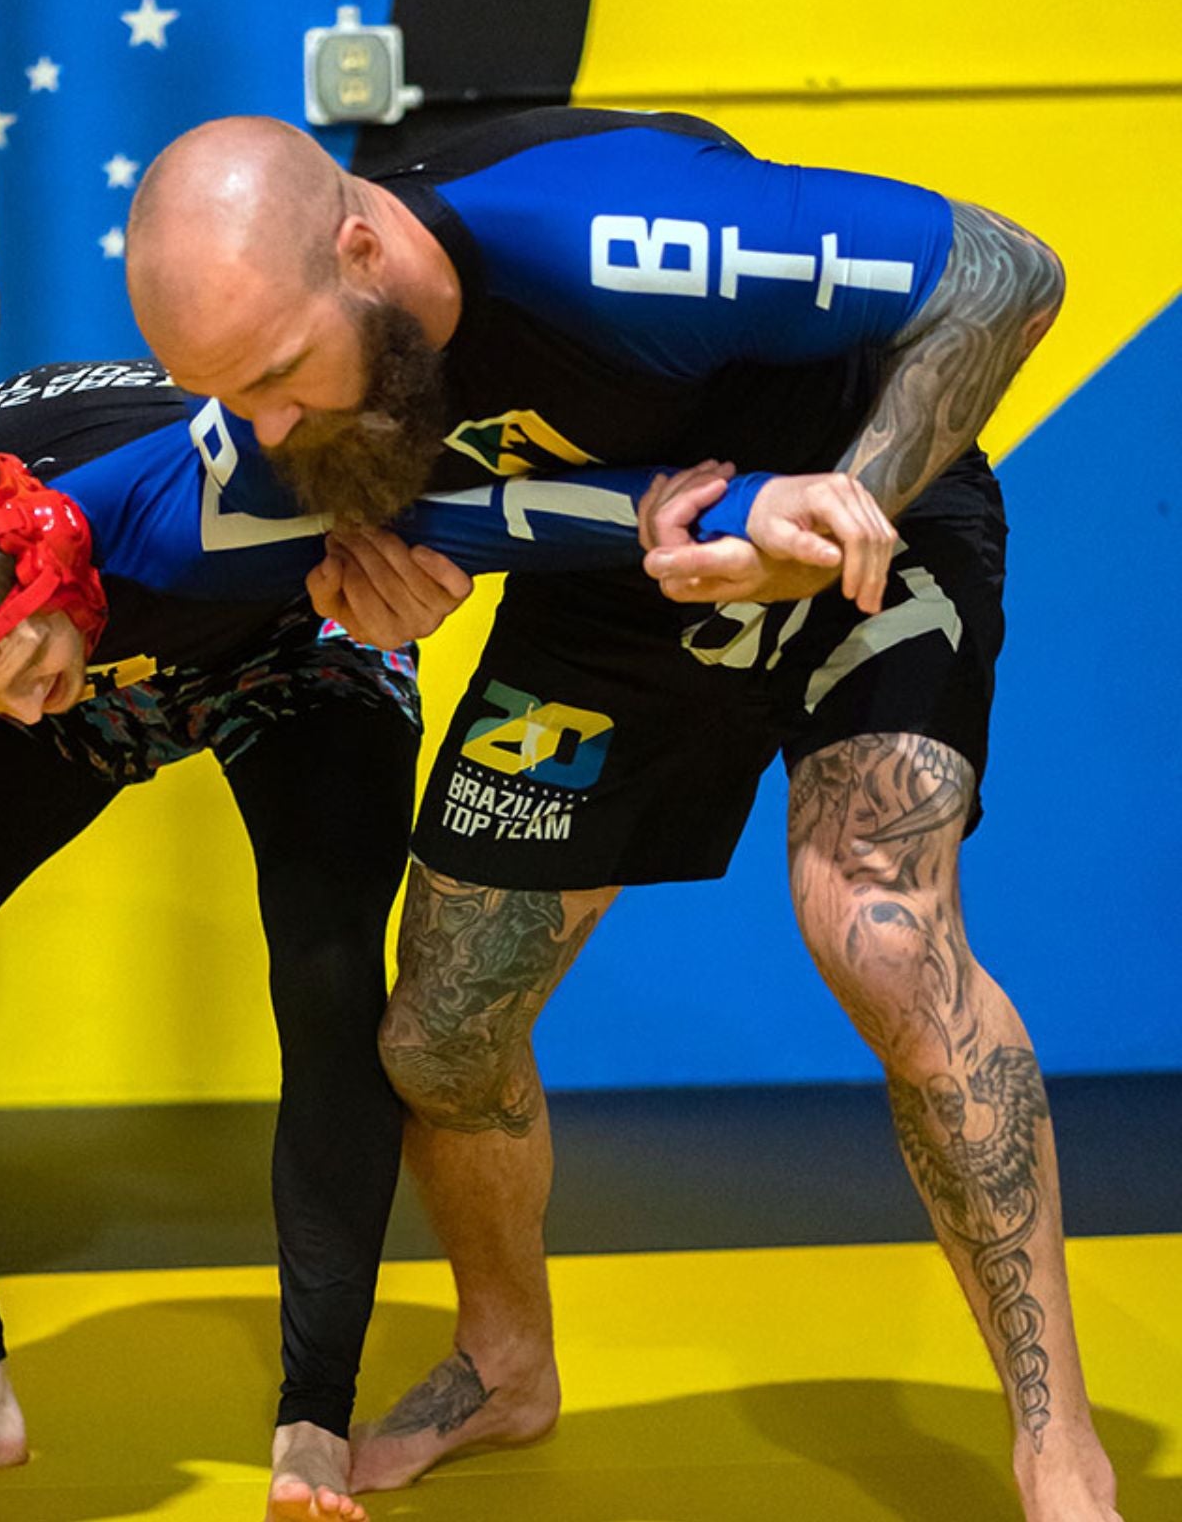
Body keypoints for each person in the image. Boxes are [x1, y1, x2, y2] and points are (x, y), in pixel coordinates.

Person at [0, 358, 861, 1515]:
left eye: (13, 674)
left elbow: (496, 508)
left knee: (331, 970)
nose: (10, 715)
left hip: (287, 644)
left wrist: (753, 512)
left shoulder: (206, 508)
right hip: (103, 659)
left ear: (56, 573)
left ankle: (313, 1416)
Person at [124, 110, 1122, 1522]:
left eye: (282, 379)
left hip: (856, 528)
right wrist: (373, 550)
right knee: (440, 1027)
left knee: (886, 938)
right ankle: (505, 1363)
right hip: (619, 578)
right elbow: (397, 500)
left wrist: (849, 499)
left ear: (363, 250)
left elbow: (1010, 272)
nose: (269, 428)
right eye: (236, 400)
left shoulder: (621, 237)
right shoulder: (301, 355)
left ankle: (1057, 1439)